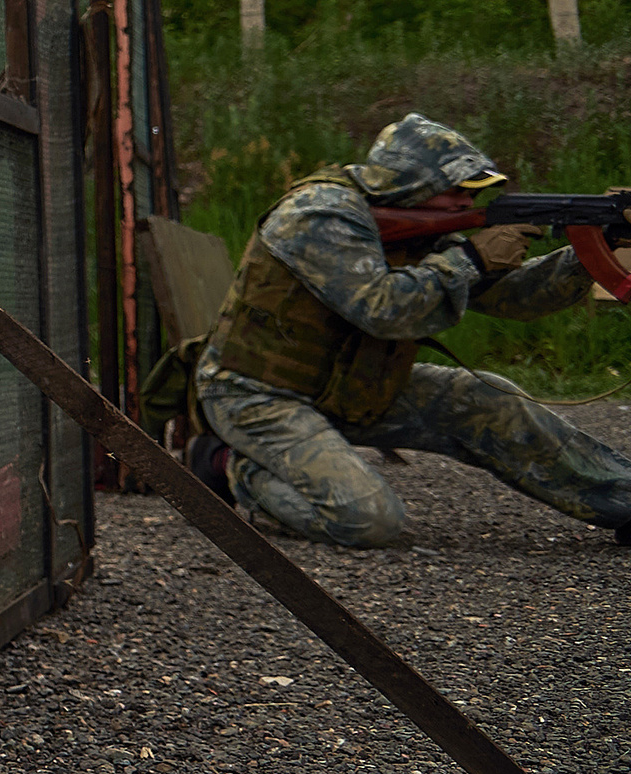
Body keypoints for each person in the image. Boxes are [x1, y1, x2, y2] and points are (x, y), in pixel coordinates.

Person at [188, 113, 631, 548]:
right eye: (457, 191)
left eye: (474, 193)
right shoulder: (318, 213)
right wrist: (471, 259)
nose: (467, 203)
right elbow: (381, 309)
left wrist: (595, 247)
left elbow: (515, 298)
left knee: (489, 399)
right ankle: (232, 465)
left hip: (351, 385)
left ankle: (625, 500)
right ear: (412, 185)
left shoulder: (417, 226)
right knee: (367, 520)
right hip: (257, 394)